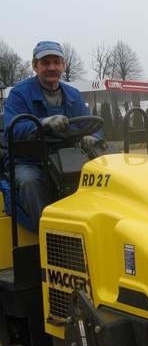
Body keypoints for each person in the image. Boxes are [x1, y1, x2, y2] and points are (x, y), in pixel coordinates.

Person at [3, 40, 101, 231]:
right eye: (45, 63)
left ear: (63, 65)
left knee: (98, 176)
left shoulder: (72, 95)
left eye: (56, 62)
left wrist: (93, 137)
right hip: (29, 160)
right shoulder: (19, 94)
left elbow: (89, 124)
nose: (52, 67)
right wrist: (41, 123)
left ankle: (89, 230)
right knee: (29, 182)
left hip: (65, 158)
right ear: (35, 66)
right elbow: (11, 130)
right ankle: (47, 236)